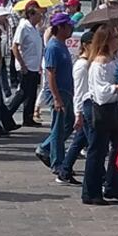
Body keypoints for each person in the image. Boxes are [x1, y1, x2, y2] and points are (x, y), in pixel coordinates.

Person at [82, 27, 118, 205]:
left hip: (113, 108)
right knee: (98, 151)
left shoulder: (112, 59)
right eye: (115, 37)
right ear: (106, 41)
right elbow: (102, 93)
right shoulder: (99, 63)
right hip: (101, 109)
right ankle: (91, 192)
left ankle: (114, 186)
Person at [35, 13, 78, 176]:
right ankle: (57, 162)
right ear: (60, 27)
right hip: (58, 92)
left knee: (68, 124)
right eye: (68, 26)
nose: (71, 29)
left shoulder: (62, 44)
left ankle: (45, 148)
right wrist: (56, 98)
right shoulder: (53, 47)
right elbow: (50, 74)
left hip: (66, 91)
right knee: (59, 127)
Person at [56, 31, 96, 185]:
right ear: (86, 45)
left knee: (80, 141)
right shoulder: (82, 65)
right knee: (93, 143)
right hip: (85, 109)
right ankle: (103, 176)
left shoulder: (89, 64)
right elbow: (78, 91)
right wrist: (78, 113)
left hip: (89, 106)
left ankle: (64, 171)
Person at [7, 2, 45, 127]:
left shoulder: (34, 28)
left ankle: (28, 118)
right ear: (30, 14)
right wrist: (22, 64)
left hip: (34, 65)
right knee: (23, 92)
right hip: (26, 65)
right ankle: (7, 114)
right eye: (38, 15)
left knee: (32, 93)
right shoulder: (23, 26)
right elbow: (15, 46)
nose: (41, 17)